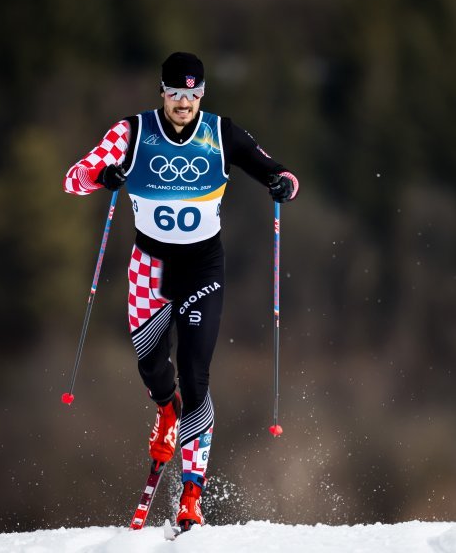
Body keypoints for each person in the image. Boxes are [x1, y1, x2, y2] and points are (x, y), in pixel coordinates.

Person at [63, 52, 298, 530]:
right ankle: (164, 410)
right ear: (162, 92)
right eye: (176, 93)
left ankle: (192, 495)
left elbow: (280, 172)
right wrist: (100, 176)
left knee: (195, 373)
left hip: (202, 266)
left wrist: (281, 185)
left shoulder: (221, 133)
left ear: (202, 93)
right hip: (149, 263)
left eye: (193, 94)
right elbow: (74, 179)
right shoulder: (131, 133)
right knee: (151, 363)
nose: (184, 102)